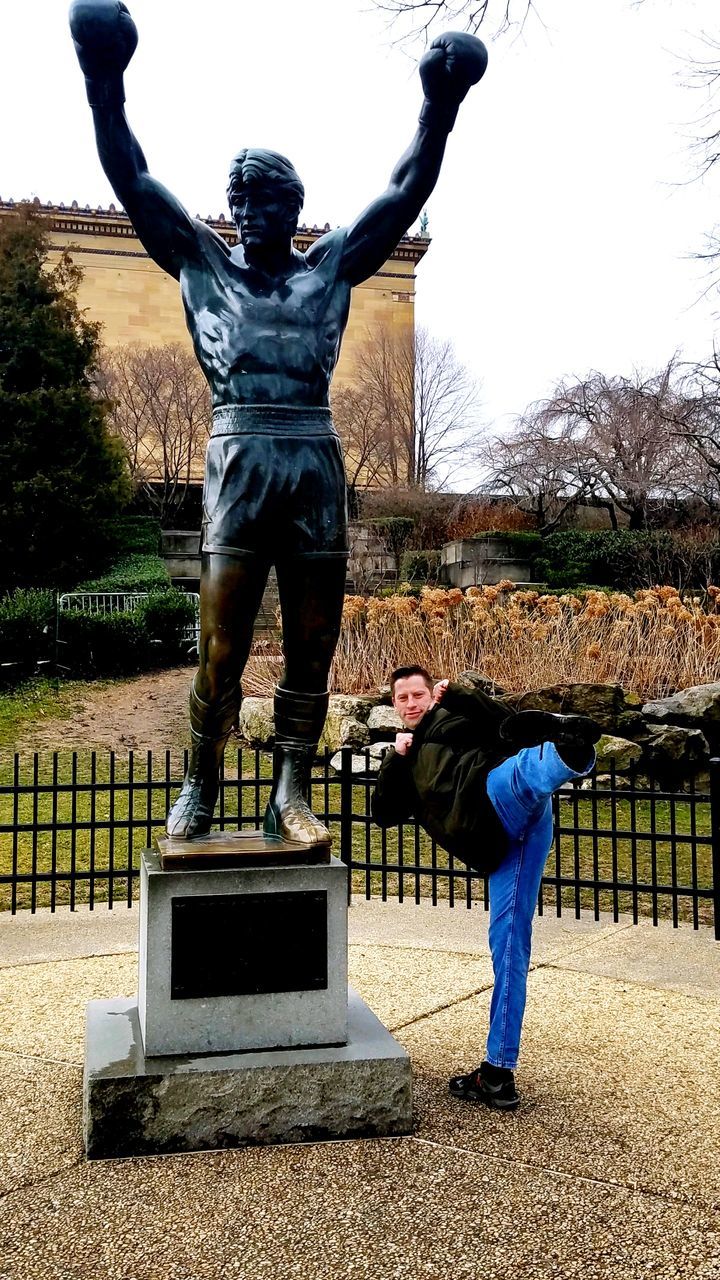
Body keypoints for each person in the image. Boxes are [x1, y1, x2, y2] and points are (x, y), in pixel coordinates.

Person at [68, 1, 488, 845]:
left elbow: (405, 191)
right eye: (237, 197)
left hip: (312, 460)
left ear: (293, 205)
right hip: (239, 457)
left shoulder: (327, 271)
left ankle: (289, 791)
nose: (245, 208)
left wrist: (438, 105)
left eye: (261, 197)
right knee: (222, 651)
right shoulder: (201, 265)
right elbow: (132, 180)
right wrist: (104, 81)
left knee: (312, 646)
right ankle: (200, 782)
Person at [372, 666, 601, 1110]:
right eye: (403, 698)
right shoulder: (406, 757)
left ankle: (568, 753)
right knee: (509, 947)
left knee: (518, 771)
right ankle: (497, 1073)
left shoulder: (455, 718)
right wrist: (394, 759)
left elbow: (507, 727)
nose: (413, 703)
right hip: (499, 845)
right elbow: (382, 813)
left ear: (430, 696)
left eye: (419, 694)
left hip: (498, 796)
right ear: (395, 706)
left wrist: (459, 695)